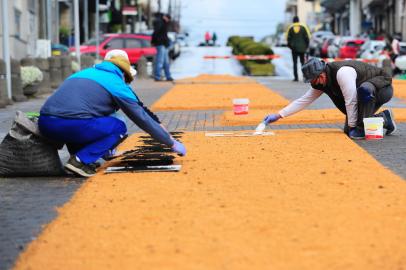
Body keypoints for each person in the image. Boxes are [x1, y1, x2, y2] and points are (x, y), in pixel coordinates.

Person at [38, 49, 186, 177]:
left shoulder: (82, 74)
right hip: (73, 125)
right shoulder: (115, 82)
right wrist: (170, 142)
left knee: (86, 118)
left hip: (46, 124)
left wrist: (106, 151)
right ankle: (79, 161)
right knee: (119, 125)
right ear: (123, 72)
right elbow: (142, 117)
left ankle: (78, 159)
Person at [261, 58, 397, 139]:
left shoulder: (342, 73)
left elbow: (351, 100)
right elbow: (304, 100)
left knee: (364, 93)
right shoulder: (320, 82)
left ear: (321, 74)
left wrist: (354, 127)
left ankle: (369, 123)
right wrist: (279, 115)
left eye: (314, 80)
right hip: (363, 95)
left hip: (381, 88)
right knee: (350, 130)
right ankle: (385, 118)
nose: (314, 83)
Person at [286, 16, 311, 82]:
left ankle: (296, 78)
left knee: (295, 63)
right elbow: (307, 38)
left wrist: (290, 46)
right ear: (298, 20)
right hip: (302, 49)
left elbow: (288, 39)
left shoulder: (290, 28)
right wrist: (306, 46)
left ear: (293, 21)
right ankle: (304, 77)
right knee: (303, 63)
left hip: (294, 49)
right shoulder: (303, 27)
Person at [151, 13, 173, 81]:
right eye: (168, 19)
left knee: (166, 62)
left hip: (164, 44)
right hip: (160, 44)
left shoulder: (163, 23)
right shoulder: (160, 22)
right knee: (160, 61)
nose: (168, 20)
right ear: (165, 17)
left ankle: (168, 76)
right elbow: (156, 33)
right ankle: (158, 76)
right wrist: (153, 41)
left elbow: (162, 34)